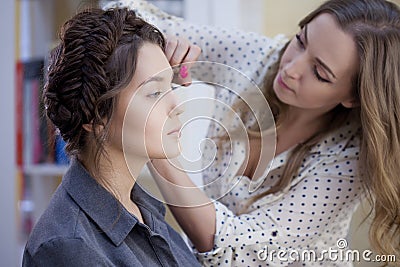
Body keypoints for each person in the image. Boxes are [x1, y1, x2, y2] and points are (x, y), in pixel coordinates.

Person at [104, 0, 400, 266]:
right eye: (300, 41)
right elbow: (118, 12)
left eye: (320, 73)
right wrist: (164, 46)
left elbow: (237, 250)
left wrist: (155, 138)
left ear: (353, 96)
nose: (291, 68)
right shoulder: (261, 56)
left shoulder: (348, 162)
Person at [22, 7, 202, 266]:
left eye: (170, 86)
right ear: (96, 117)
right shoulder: (69, 248)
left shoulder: (143, 211)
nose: (177, 105)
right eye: (154, 93)